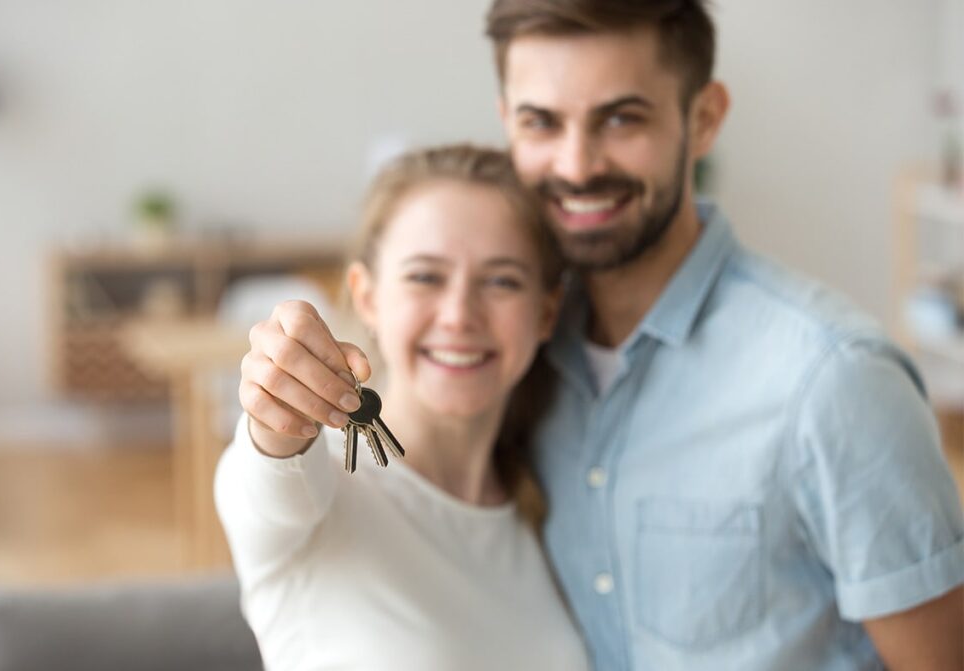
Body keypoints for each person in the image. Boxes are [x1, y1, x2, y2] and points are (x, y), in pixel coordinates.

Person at [483, 1, 964, 669]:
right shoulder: (513, 359)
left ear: (704, 118)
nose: (578, 163)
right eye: (542, 122)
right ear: (507, 122)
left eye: (621, 118)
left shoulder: (834, 380)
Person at [214, 144, 590, 670]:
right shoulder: (320, 479)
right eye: (425, 276)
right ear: (368, 297)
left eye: (502, 280)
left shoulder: (549, 513)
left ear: (547, 311)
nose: (459, 316)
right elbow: (271, 477)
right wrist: (278, 415)